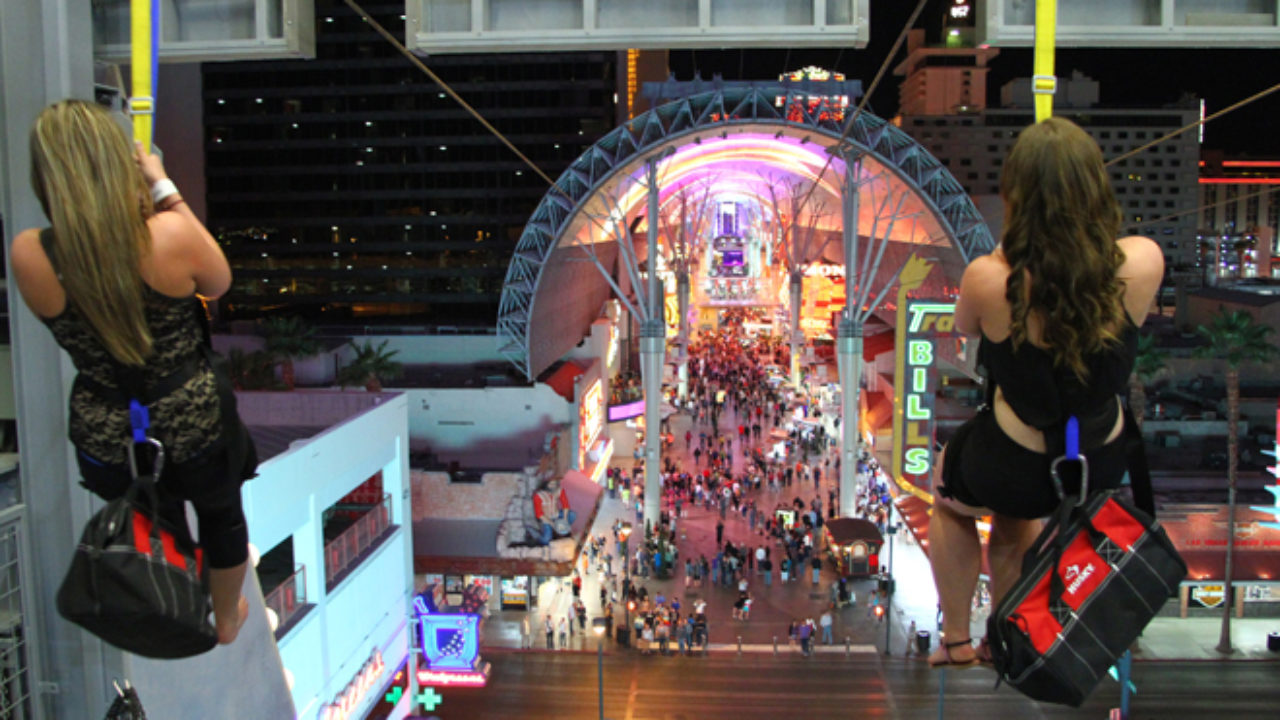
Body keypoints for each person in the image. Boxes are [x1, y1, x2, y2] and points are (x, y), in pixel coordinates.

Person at [11, 100, 258, 647]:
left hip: (107, 430)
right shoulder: (166, 235)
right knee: (220, 516)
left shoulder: (31, 253)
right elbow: (217, 282)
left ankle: (167, 599)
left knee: (152, 517)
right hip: (192, 421)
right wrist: (163, 186)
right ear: (114, 163)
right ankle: (223, 620)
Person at [925, 117, 1163, 668]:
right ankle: (1011, 640)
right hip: (1099, 457)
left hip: (1013, 457)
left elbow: (966, 327)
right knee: (1017, 522)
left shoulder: (992, 277)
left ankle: (958, 640)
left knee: (953, 503)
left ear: (1017, 197)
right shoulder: (1142, 260)